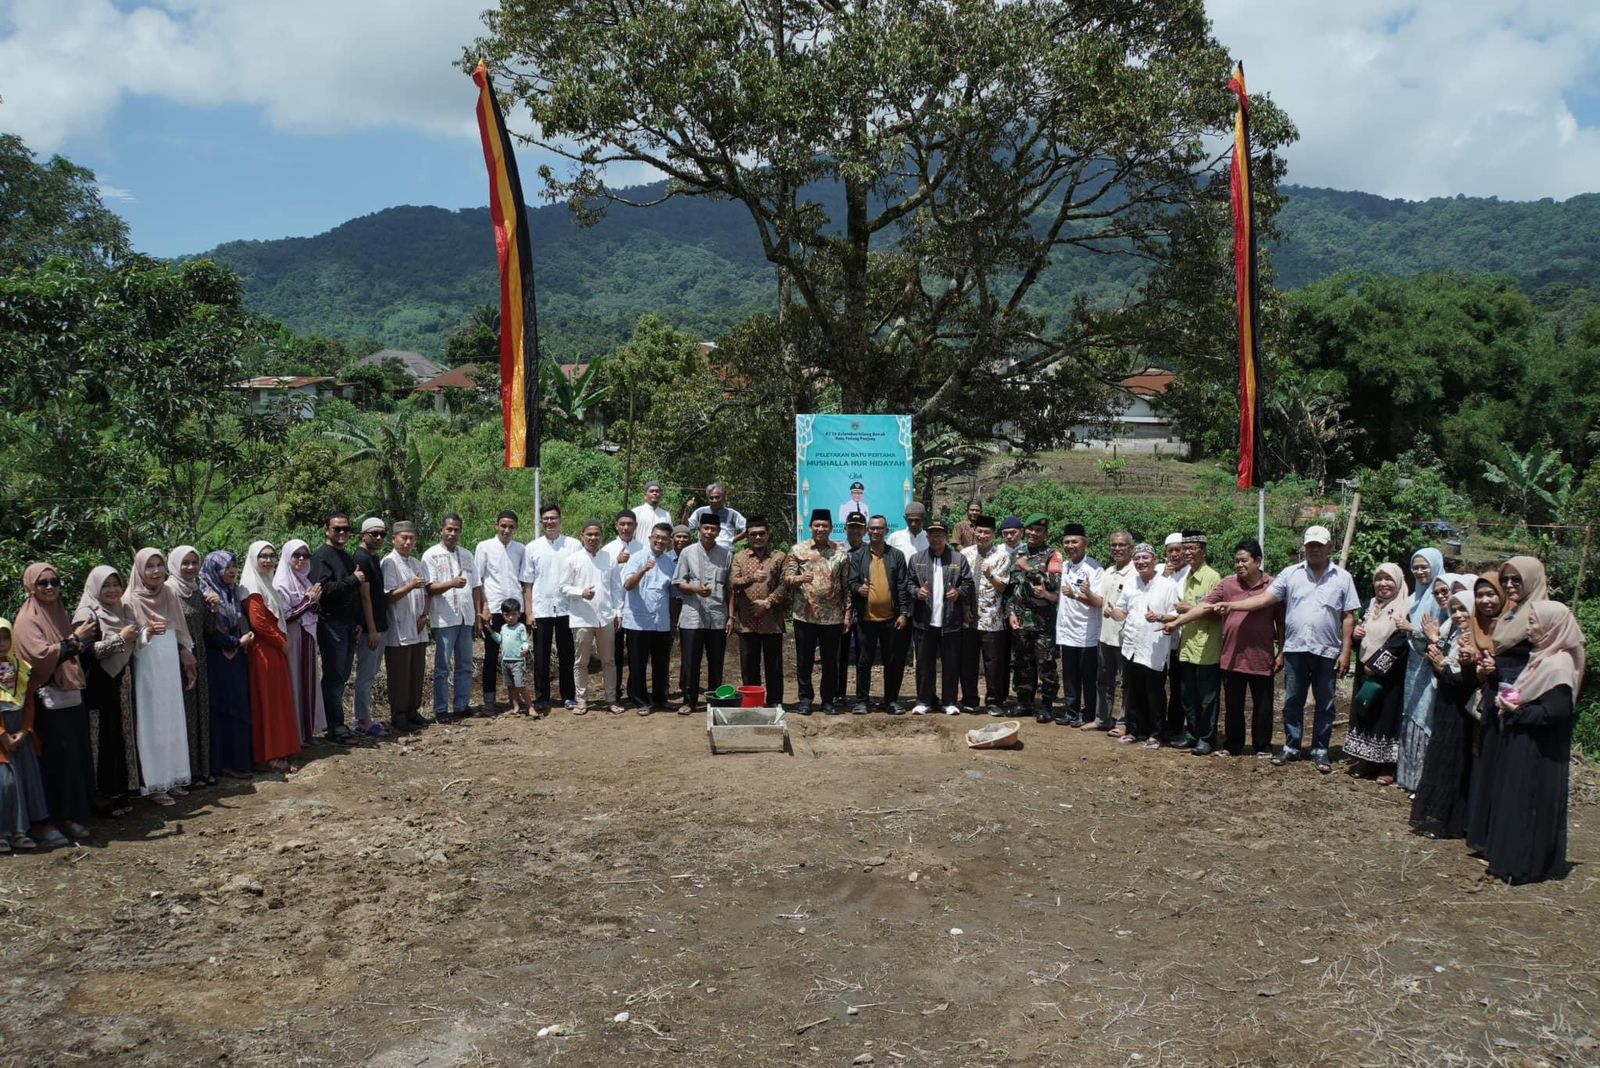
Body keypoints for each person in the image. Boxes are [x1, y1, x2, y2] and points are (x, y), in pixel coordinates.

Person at [1218, 525, 1360, 774]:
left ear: (1329, 548)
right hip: (1296, 649)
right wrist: (1232, 605)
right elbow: (1264, 599)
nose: (1314, 549)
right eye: (1310, 545)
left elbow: (1348, 617)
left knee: (1325, 703)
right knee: (1293, 701)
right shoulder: (1290, 574)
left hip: (1326, 650)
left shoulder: (1342, 577)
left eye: (1319, 545)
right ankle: (1292, 746)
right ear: (1303, 548)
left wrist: (1346, 651)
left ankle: (1320, 749)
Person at [1475, 600, 1584, 884]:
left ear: (1552, 627)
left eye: (1535, 622)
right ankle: (1508, 857)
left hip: (1540, 751)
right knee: (1514, 799)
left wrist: (1518, 711)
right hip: (1523, 740)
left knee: (1528, 803)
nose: (1530, 628)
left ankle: (1523, 864)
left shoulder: (1559, 664)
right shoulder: (1541, 657)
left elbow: (1556, 712)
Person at [20, 561, 114, 840]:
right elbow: (37, 658)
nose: (50, 588)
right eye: (42, 583)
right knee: (53, 760)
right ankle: (47, 820)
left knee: (72, 759)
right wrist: (74, 641)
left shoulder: (59, 613)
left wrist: (80, 641)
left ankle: (69, 815)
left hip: (71, 696)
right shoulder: (27, 619)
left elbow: (74, 651)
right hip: (45, 703)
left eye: (54, 582)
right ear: (31, 587)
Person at [1168, 540, 1282, 756]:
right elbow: (1204, 607)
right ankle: (1233, 745)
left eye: (1244, 560)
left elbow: (1281, 622)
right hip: (1232, 655)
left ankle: (1262, 746)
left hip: (1261, 656)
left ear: (1258, 561)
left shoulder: (1273, 586)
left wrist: (1282, 651)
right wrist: (1177, 622)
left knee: (1264, 706)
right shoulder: (1228, 585)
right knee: (1233, 706)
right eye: (1237, 561)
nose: (1239, 565)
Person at [124, 548, 198, 804]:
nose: (156, 571)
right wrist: (147, 632)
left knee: (172, 716)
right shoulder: (130, 599)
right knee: (152, 721)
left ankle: (174, 777)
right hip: (147, 663)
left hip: (168, 662)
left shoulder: (168, 592)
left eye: (159, 565)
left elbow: (179, 627)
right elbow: (130, 639)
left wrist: (186, 652)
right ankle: (155, 784)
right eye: (150, 566)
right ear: (139, 570)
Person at [1409, 587, 1481, 839]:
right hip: (1445, 703)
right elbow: (1439, 661)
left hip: (1462, 710)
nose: (1459, 614)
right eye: (1454, 609)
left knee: (1454, 760)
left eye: (1464, 609)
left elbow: (1468, 679)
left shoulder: (1477, 638)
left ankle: (1447, 820)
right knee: (1439, 757)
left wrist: (1442, 666)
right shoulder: (1453, 632)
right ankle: (1432, 815)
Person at [73, 567, 141, 815]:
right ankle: (100, 796)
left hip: (119, 682)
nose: (112, 590)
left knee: (118, 736)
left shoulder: (122, 610)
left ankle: (119, 791)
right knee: (98, 740)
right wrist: (121, 638)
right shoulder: (86, 613)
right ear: (94, 588)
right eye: (106, 585)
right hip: (96, 686)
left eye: (116, 584)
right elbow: (87, 651)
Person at [1343, 563, 1410, 783]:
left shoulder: (1405, 608)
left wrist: (1377, 666)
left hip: (1390, 675)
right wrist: (1356, 635)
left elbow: (1400, 642)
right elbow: (1358, 637)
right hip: (1365, 669)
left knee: (1386, 716)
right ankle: (1366, 760)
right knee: (1365, 712)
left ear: (1398, 581)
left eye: (1388, 579)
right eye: (1379, 579)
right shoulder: (1370, 605)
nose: (1383, 584)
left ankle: (1387, 767)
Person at [307, 512, 371, 744]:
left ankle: (334, 722)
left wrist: (358, 623)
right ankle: (334, 725)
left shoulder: (344, 556)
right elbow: (323, 591)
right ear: (327, 530)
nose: (342, 533)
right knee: (334, 676)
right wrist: (353, 579)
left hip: (348, 624)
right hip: (330, 623)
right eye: (337, 529)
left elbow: (353, 595)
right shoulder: (321, 557)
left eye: (346, 529)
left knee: (342, 675)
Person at [1109, 543, 1180, 749]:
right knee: (1133, 690)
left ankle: (1156, 734)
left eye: (1145, 558)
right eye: (1137, 558)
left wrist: (1159, 617)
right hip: (1131, 644)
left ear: (1155, 560)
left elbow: (1176, 616)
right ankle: (1135, 730)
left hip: (1154, 646)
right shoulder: (1131, 584)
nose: (1141, 562)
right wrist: (1112, 612)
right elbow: (1122, 611)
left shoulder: (1167, 586)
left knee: (1155, 692)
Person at [238, 542, 301, 773]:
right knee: (270, 703)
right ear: (253, 559)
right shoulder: (252, 586)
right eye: (262, 556)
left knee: (278, 700)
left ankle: (280, 750)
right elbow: (259, 622)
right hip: (264, 651)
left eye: (271, 556)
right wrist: (280, 641)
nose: (267, 560)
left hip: (272, 650)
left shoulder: (265, 583)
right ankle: (271, 755)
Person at [784, 509, 851, 714]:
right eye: (817, 525)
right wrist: (798, 579)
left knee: (831, 661)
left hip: (832, 617)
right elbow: (786, 578)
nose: (820, 529)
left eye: (824, 525)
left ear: (831, 528)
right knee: (805, 661)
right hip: (805, 615)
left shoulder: (841, 552)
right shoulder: (798, 550)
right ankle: (805, 700)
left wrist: (847, 614)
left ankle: (828, 700)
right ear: (811, 527)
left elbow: (846, 586)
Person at [0, 616, 57, 849]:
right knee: (5, 784)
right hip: (2, 733)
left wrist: (25, 730)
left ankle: (19, 831)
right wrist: (3, 734)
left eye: (5, 637)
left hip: (20, 730)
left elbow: (29, 701)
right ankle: (2, 832)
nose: (1, 643)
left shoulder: (21, 667)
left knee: (25, 781)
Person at [908, 518, 973, 715]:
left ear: (946, 537)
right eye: (932, 535)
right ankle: (924, 701)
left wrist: (958, 593)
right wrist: (916, 592)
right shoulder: (917, 558)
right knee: (924, 664)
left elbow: (968, 583)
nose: (936, 538)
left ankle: (949, 701)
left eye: (940, 535)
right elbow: (907, 584)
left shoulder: (958, 559)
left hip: (950, 621)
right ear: (927, 537)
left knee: (951, 663)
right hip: (924, 621)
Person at [1396, 548, 1448, 792]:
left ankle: (1423, 781)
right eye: (1415, 567)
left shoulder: (1442, 598)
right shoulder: (1416, 597)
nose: (1419, 571)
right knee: (1412, 713)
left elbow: (1439, 636)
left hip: (1432, 667)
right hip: (1414, 667)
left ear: (1436, 566)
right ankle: (1408, 777)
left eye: (1424, 566)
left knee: (1426, 715)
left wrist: (1411, 629)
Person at [850, 514, 913, 714]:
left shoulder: (896, 555)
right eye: (873, 528)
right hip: (866, 619)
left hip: (891, 619)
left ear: (886, 531)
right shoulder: (858, 555)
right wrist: (858, 589)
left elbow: (902, 585)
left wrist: (904, 613)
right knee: (864, 661)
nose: (876, 531)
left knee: (892, 661)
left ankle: (891, 700)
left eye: (880, 528)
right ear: (867, 531)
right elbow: (851, 582)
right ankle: (862, 700)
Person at [199, 551, 254, 777]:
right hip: (218, 661)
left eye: (234, 565)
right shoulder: (206, 595)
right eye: (226, 567)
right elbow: (208, 633)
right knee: (223, 709)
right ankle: (224, 763)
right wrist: (235, 641)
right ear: (214, 569)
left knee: (238, 707)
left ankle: (239, 761)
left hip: (237, 658)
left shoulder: (232, 592)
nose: (231, 570)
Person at [561, 519, 624, 715]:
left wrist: (618, 612)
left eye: (596, 534)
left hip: (605, 617)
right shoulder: (573, 559)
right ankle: (581, 700)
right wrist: (581, 592)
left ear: (602, 537)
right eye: (589, 534)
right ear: (582, 536)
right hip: (581, 618)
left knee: (609, 660)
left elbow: (616, 588)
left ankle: (611, 699)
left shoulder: (609, 558)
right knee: (581, 662)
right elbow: (563, 587)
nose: (593, 538)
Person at [521, 503, 578, 713]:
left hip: (567, 609)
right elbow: (528, 584)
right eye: (546, 518)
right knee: (541, 656)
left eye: (553, 518)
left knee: (567, 655)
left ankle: (569, 696)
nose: (550, 522)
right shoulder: (532, 547)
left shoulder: (573, 545)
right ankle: (542, 697)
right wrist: (529, 612)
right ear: (541, 521)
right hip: (541, 609)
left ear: (561, 520)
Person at [675, 512, 733, 714]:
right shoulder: (687, 553)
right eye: (705, 528)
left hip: (717, 616)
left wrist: (731, 617)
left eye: (713, 529)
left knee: (716, 661)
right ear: (699, 530)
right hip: (692, 615)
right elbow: (678, 582)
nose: (709, 532)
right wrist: (696, 588)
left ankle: (715, 700)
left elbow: (730, 588)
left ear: (718, 531)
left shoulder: (726, 554)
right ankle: (689, 701)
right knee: (691, 660)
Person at [424, 514, 480, 723]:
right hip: (445, 618)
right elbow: (429, 587)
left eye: (456, 530)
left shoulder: (466, 554)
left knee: (465, 664)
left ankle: (461, 704)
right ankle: (440, 709)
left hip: (466, 617)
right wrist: (451, 583)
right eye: (449, 529)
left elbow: (475, 586)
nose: (452, 533)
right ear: (442, 530)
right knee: (442, 666)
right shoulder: (431, 555)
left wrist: (478, 613)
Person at [166, 546, 215, 785]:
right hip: (175, 661)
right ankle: (183, 772)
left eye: (195, 562)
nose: (190, 567)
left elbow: (208, 630)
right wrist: (181, 651)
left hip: (200, 658)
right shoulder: (168, 591)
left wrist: (213, 609)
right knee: (183, 715)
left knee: (199, 712)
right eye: (185, 562)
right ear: (174, 564)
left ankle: (200, 770)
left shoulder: (197, 592)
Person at [1171, 532, 1223, 753]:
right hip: (1188, 645)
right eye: (1185, 549)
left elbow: (1216, 612)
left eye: (1192, 548)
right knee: (1188, 696)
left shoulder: (1213, 578)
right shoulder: (1188, 577)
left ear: (1203, 550)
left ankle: (1207, 738)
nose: (1187, 553)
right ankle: (1192, 734)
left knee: (1207, 698)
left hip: (1207, 647)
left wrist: (1187, 609)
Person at [1008, 514, 1061, 723]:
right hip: (1020, 621)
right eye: (1030, 530)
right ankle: (1024, 703)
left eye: (1038, 531)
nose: (1033, 534)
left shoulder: (1053, 555)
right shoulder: (1019, 553)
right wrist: (1011, 613)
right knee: (1022, 664)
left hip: (1042, 623)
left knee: (1046, 665)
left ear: (1045, 533)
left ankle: (1047, 706)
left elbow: (1052, 584)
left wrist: (1028, 568)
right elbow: (1013, 588)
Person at [273, 539, 326, 744]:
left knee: (309, 682)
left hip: (308, 637)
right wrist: (308, 601)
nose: (302, 559)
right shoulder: (281, 584)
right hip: (293, 638)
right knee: (295, 681)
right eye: (297, 555)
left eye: (306, 555)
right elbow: (285, 615)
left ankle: (309, 731)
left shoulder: (304, 580)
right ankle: (296, 733)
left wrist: (312, 603)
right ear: (287, 557)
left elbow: (310, 609)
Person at [730, 517, 786, 707]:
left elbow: (785, 584)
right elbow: (733, 582)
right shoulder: (740, 557)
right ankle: (753, 702)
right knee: (749, 666)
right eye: (753, 534)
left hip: (772, 621)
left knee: (774, 666)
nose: (758, 537)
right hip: (747, 621)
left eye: (762, 533)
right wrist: (751, 578)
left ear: (768, 535)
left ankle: (775, 702)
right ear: (747, 536)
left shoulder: (779, 557)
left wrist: (768, 602)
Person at [381, 522, 432, 731]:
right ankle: (399, 714)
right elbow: (389, 595)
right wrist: (410, 585)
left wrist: (424, 616)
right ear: (394, 539)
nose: (407, 542)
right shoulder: (389, 563)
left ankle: (412, 710)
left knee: (416, 671)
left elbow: (427, 592)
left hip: (418, 625)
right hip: (399, 627)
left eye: (411, 538)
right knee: (399, 674)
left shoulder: (417, 563)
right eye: (403, 538)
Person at [475, 510, 526, 716]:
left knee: (515, 657)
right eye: (503, 526)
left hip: (516, 611)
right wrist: (483, 610)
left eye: (511, 526)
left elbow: (524, 581)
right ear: (496, 526)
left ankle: (516, 700)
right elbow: (477, 581)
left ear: (516, 528)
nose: (506, 530)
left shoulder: (521, 549)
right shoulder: (484, 547)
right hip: (494, 610)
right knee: (491, 656)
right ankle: (489, 702)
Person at [621, 523, 677, 712]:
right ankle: (640, 701)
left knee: (661, 663)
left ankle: (661, 698)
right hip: (638, 621)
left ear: (669, 541)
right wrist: (644, 570)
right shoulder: (637, 558)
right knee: (638, 663)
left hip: (661, 621)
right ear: (650, 538)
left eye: (664, 538)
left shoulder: (669, 562)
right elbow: (628, 585)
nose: (660, 541)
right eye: (657, 537)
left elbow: (672, 590)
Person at [958, 515, 1010, 716]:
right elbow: (960, 584)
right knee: (968, 662)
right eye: (979, 531)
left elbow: (1003, 587)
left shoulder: (1002, 556)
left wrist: (989, 574)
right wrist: (964, 609)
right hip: (968, 617)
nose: (982, 535)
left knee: (993, 663)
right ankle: (970, 699)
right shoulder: (966, 554)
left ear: (993, 535)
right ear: (974, 532)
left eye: (986, 532)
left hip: (992, 618)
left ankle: (994, 701)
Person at [1054, 523, 1102, 727]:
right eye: (1067, 542)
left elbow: (1098, 601)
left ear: (1084, 543)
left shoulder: (1094, 568)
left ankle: (1089, 713)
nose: (1070, 545)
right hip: (1066, 630)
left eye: (1074, 541)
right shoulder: (1063, 566)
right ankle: (1071, 712)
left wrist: (1077, 595)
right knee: (1070, 676)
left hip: (1086, 632)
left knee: (1088, 677)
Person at [1089, 532, 1135, 734]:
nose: (1117, 549)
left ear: (1130, 548)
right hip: (1105, 635)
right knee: (1104, 680)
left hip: (1127, 637)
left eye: (1122, 545)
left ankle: (1124, 722)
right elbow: (1100, 600)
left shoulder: (1137, 573)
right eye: (1114, 545)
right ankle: (1102, 719)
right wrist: (1086, 593)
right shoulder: (1108, 571)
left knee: (1127, 682)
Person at [351, 517, 391, 737]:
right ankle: (363, 720)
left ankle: (364, 715)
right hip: (370, 628)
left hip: (379, 624)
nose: (378, 538)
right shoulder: (361, 558)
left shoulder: (374, 558)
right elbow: (365, 598)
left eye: (382, 534)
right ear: (363, 534)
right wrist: (372, 629)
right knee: (365, 674)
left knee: (371, 673)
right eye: (374, 533)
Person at [602, 510, 644, 704]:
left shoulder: (643, 549)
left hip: (637, 607)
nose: (626, 528)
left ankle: (634, 692)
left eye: (630, 524)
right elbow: (600, 576)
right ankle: (614, 692)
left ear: (635, 526)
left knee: (636, 653)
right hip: (613, 608)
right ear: (616, 525)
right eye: (622, 524)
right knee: (614, 653)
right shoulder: (608, 550)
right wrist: (614, 562)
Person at [1160, 532, 1190, 742]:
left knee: (1179, 684)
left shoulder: (1190, 573)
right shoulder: (1159, 571)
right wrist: (1164, 577)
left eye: (1178, 550)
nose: (1174, 555)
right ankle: (1161, 722)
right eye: (1170, 551)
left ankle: (1177, 725)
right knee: (1159, 682)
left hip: (1182, 635)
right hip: (1162, 636)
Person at [837, 512, 868, 697]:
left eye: (859, 527)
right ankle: (839, 693)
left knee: (863, 656)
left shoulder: (870, 551)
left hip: (864, 611)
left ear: (864, 530)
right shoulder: (838, 550)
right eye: (852, 527)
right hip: (840, 611)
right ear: (846, 528)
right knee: (840, 655)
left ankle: (861, 696)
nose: (855, 531)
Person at [486, 598, 532, 716]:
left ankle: (530, 706)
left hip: (517, 661)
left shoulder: (521, 627)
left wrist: (525, 649)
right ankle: (515, 706)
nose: (510, 617)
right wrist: (490, 630)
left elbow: (525, 641)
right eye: (507, 615)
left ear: (519, 614)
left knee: (520, 685)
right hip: (505, 661)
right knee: (510, 686)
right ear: (502, 615)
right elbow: (500, 640)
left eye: (513, 614)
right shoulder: (503, 628)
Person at [687, 483, 746, 549]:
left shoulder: (732, 513)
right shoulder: (701, 512)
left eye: (717, 497)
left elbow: (748, 528)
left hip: (725, 551)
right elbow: (686, 526)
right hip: (704, 551)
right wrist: (687, 510)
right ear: (708, 499)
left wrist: (732, 540)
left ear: (723, 497)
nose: (714, 500)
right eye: (711, 498)